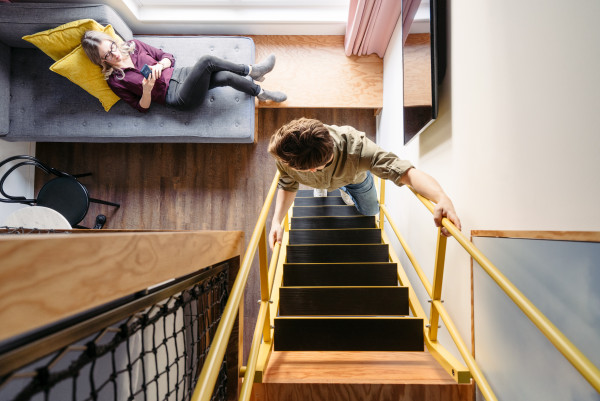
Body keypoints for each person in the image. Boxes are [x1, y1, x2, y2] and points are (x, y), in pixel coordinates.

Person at [267, 117, 462, 249]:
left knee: (370, 211)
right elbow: (288, 184)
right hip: (322, 180)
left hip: (355, 180)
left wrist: (441, 197)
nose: (288, 168)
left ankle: (345, 190)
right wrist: (276, 221)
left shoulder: (359, 150)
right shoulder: (287, 155)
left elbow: (407, 173)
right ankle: (325, 187)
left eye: (298, 171)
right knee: (323, 187)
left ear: (312, 169)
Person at [81, 31, 287, 113]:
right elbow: (141, 108)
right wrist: (147, 90)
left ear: (113, 41)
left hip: (181, 74)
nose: (114, 54)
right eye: (107, 55)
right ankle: (253, 70)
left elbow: (167, 56)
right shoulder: (115, 81)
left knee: (225, 77)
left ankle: (260, 92)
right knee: (207, 60)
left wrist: (159, 66)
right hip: (177, 97)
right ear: (100, 61)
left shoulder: (133, 45)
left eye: (112, 47)